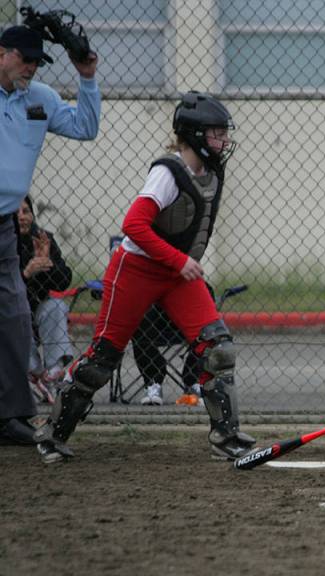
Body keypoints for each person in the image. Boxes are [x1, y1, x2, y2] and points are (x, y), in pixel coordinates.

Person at [35, 91, 254, 464]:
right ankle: (53, 435)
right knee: (101, 359)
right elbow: (133, 224)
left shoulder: (211, 170)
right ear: (196, 135)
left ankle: (225, 435)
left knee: (217, 348)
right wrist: (176, 260)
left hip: (175, 272)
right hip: (136, 269)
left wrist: (178, 264)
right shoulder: (167, 172)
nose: (225, 141)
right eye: (217, 133)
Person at [0, 24, 98, 447]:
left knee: (16, 318)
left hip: (5, 224)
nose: (32, 67)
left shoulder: (38, 99)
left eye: (38, 61)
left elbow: (84, 127)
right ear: (2, 53)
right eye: (25, 58)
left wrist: (88, 77)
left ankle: (12, 416)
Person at [16, 195, 74, 402]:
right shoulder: (4, 242)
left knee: (56, 306)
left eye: (26, 211)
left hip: (38, 307)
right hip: (10, 310)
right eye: (16, 212)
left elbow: (63, 280)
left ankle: (53, 372)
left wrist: (46, 262)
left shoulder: (42, 238)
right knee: (16, 315)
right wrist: (26, 273)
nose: (22, 217)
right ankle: (34, 375)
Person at [131, 304, 203, 406]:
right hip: (154, 319)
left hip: (186, 313)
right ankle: (153, 382)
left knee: (205, 299)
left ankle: (194, 380)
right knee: (139, 306)